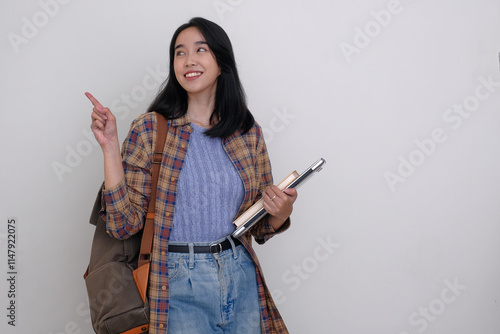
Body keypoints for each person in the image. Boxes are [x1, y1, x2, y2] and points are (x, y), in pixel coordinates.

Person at [86, 17, 297, 334]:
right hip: (176, 280)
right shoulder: (151, 129)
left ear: (221, 62)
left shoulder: (247, 133)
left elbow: (262, 228)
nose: (189, 60)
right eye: (180, 52)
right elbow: (122, 224)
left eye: (201, 49)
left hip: (240, 272)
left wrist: (282, 211)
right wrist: (111, 148)